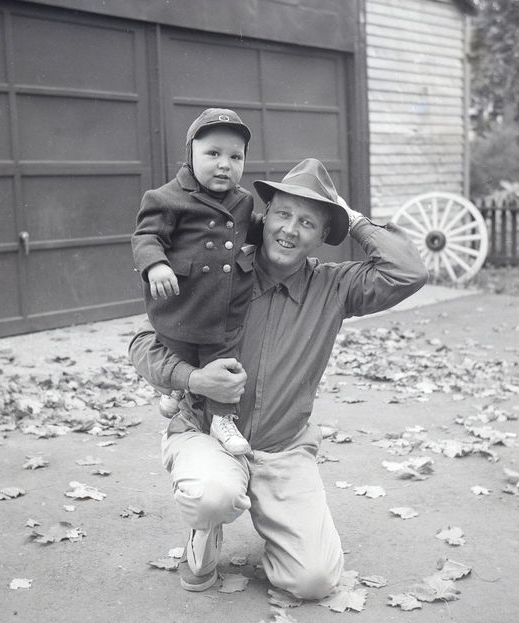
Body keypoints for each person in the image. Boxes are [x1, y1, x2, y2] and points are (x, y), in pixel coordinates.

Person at [129, 158, 428, 598]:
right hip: (207, 434)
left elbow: (409, 273)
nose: (290, 229)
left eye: (307, 222)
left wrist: (355, 219)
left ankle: (277, 526)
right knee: (213, 494)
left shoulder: (335, 288)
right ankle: (206, 526)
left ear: (324, 236)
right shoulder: (221, 271)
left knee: (313, 580)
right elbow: (142, 343)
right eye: (283, 215)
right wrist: (194, 380)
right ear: (264, 218)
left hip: (284, 449)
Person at [132, 108, 263, 456]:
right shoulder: (165, 198)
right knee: (177, 345)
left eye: (236, 157)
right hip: (184, 300)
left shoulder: (242, 201)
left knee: (224, 361)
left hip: (225, 304)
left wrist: (278, 228)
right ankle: (174, 389)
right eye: (213, 154)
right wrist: (155, 265)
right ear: (190, 154)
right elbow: (146, 237)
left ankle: (222, 419)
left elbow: (254, 228)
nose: (225, 164)